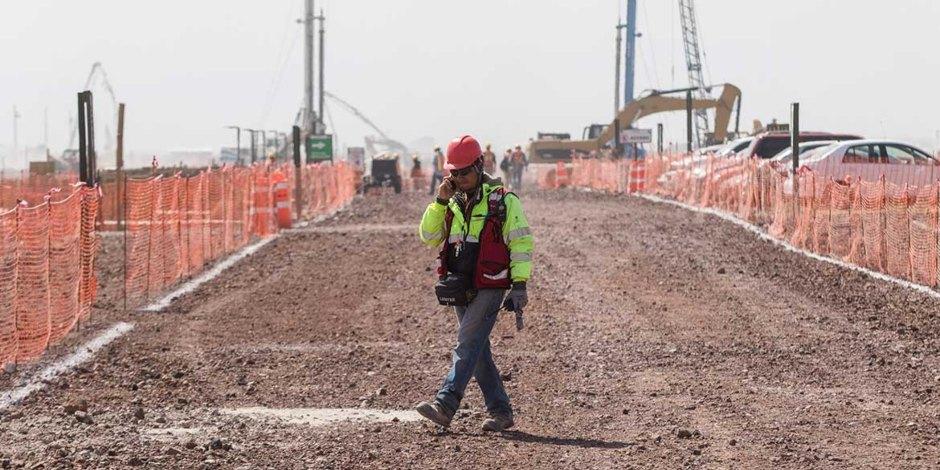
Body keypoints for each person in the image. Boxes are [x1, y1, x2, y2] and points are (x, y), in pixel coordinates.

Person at [416, 134, 534, 433]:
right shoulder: (451, 203)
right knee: (478, 351)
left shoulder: (504, 202)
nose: (459, 177)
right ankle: (501, 411)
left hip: (490, 285)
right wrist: (440, 201)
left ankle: (446, 404)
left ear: (480, 165)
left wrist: (519, 284)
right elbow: (428, 237)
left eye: (464, 171)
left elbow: (521, 242)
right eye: (453, 173)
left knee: (467, 344)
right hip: (460, 286)